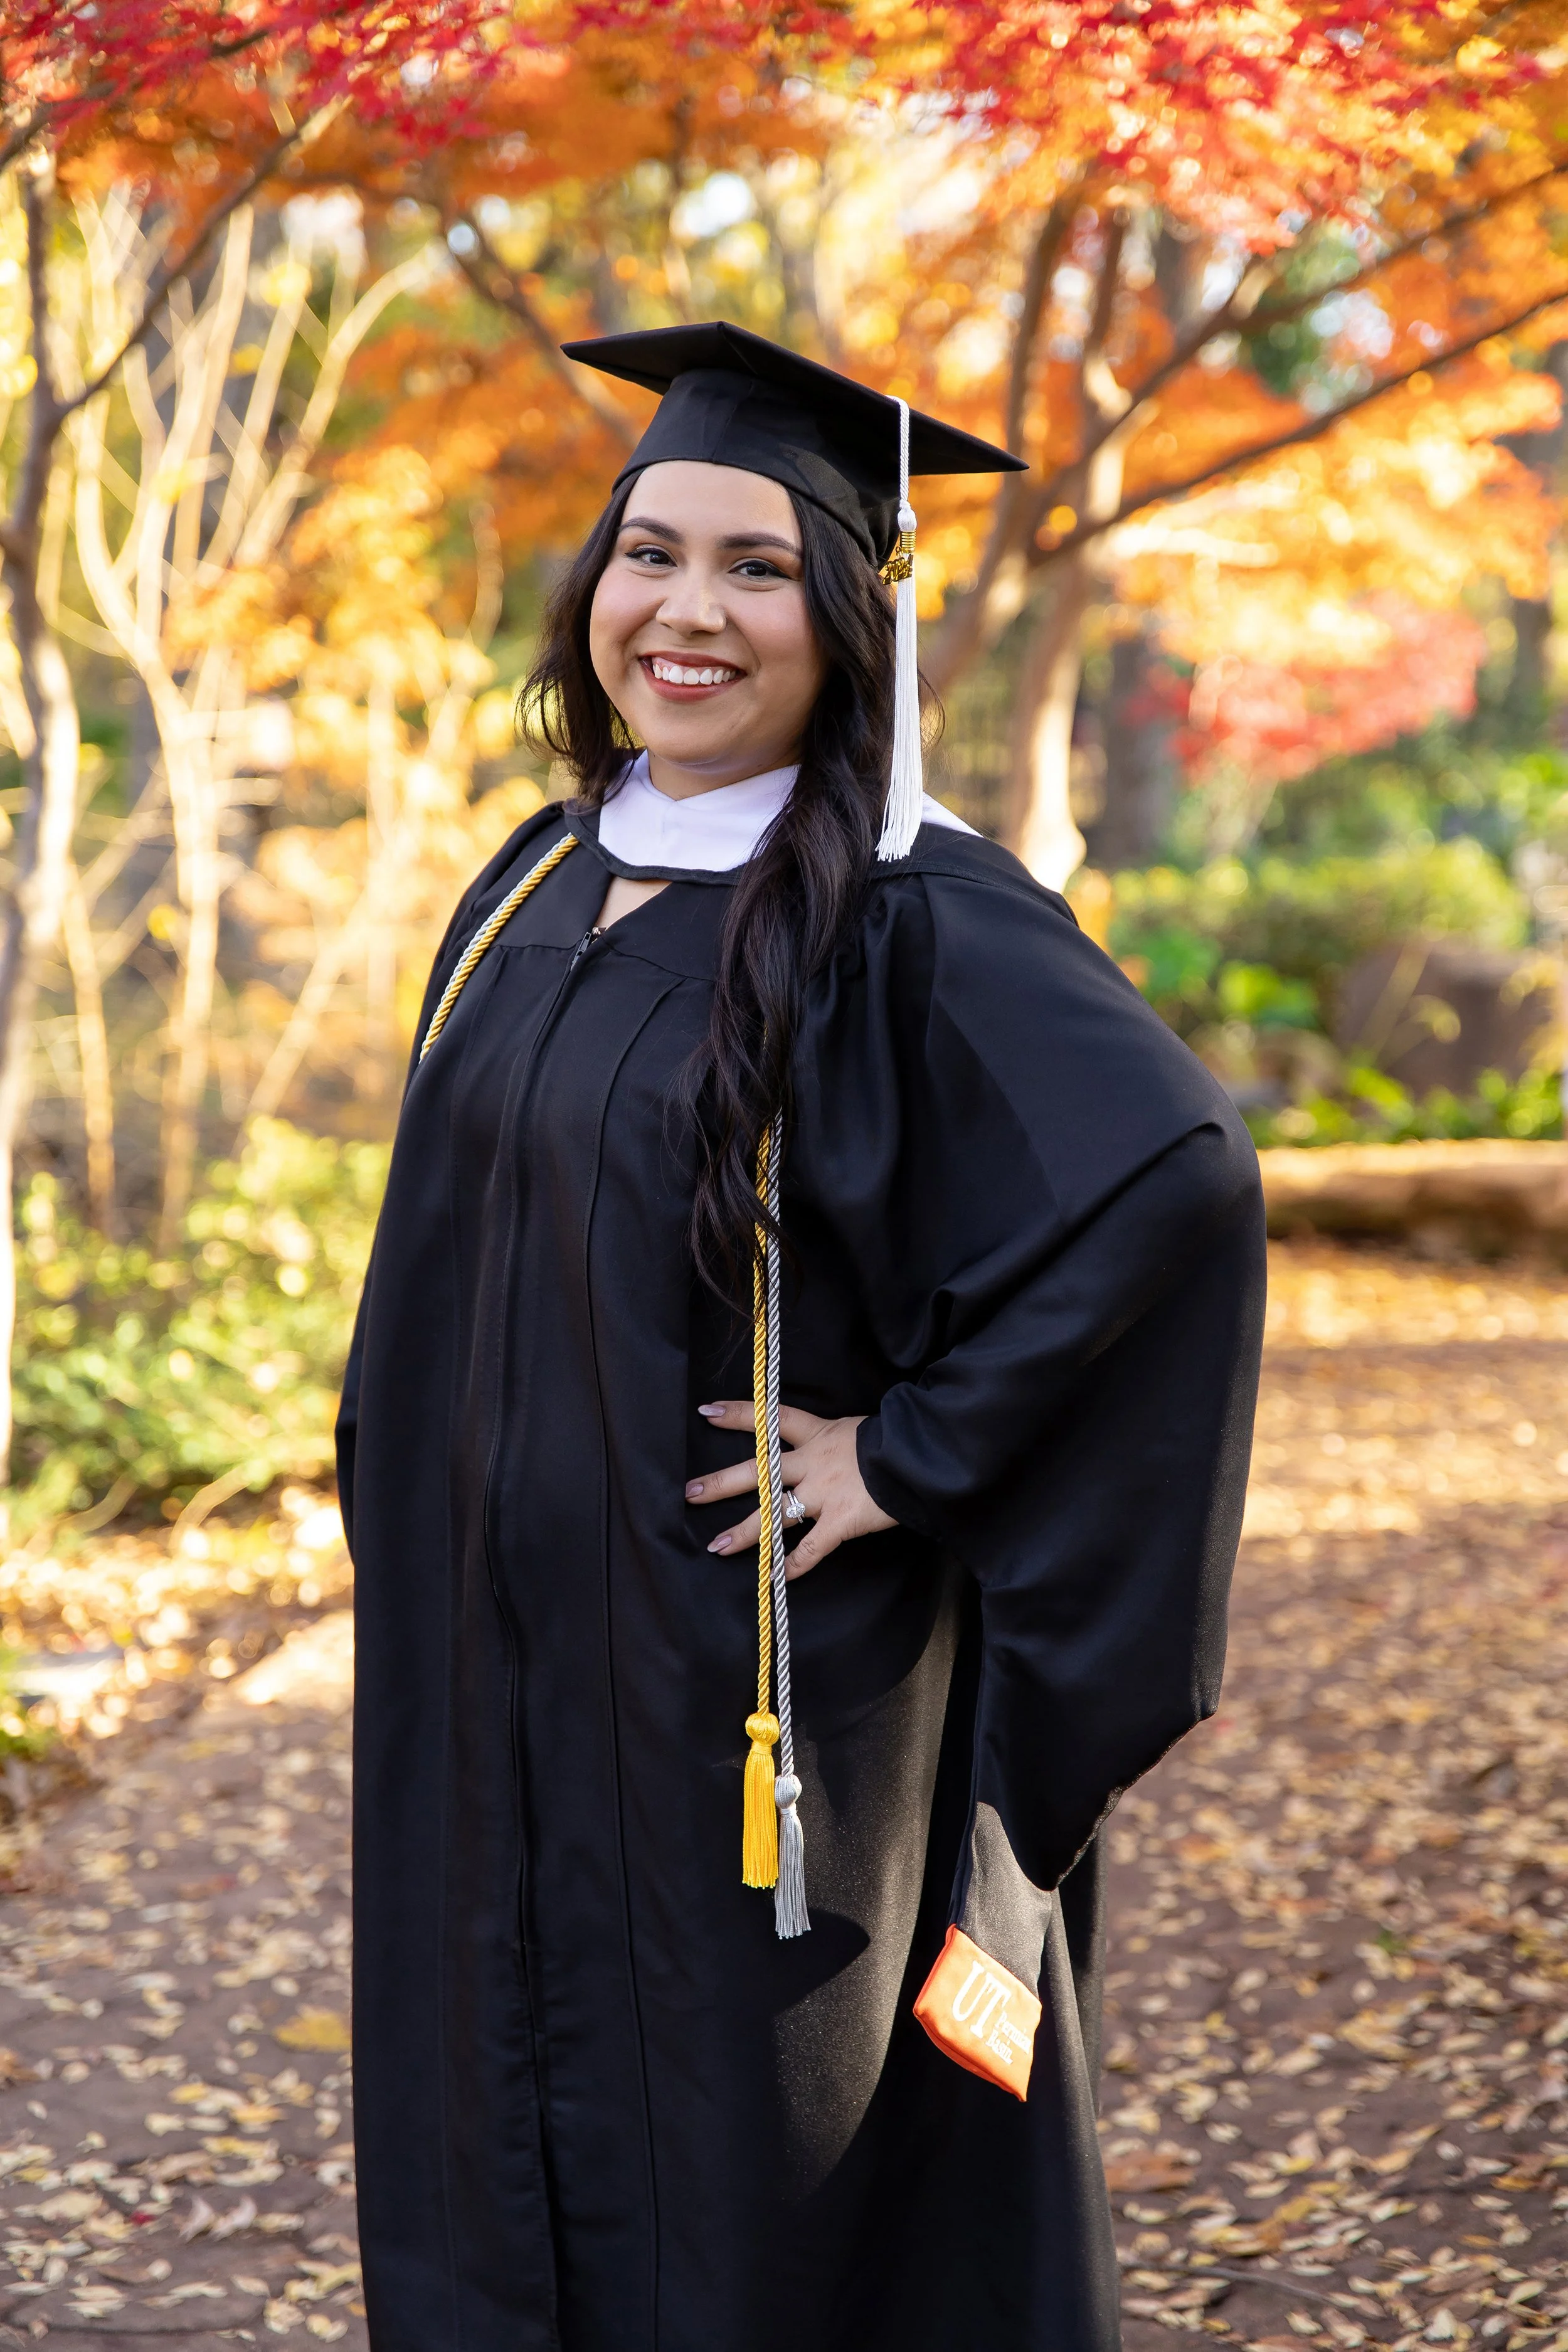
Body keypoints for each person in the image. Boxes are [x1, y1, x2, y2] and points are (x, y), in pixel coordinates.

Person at [337, 320, 1266, 2352]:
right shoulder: (538, 875)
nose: (683, 610)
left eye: (755, 568)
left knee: (743, 2192)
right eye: (647, 551)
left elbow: (1172, 1176)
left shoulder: (904, 907)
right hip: (487, 1685)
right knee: (488, 2123)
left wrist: (907, 1450)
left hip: (740, 1705)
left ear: (851, 619)